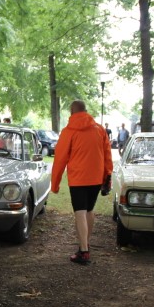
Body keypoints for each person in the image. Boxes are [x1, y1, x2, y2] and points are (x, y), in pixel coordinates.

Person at [51, 100, 113, 265]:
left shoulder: (68, 131)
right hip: (96, 177)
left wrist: (55, 184)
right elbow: (108, 155)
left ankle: (84, 251)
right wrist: (108, 175)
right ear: (86, 111)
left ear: (72, 112)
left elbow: (59, 160)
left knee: (80, 212)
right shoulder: (99, 129)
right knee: (89, 210)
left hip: (78, 178)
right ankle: (84, 244)